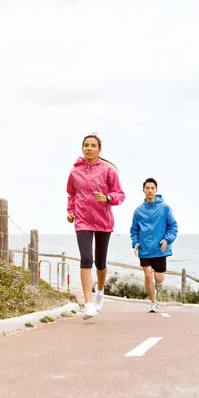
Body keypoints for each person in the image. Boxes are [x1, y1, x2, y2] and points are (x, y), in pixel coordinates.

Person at [66, 134, 125, 320]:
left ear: (99, 150)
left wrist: (107, 198)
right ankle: (88, 303)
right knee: (86, 258)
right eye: (86, 145)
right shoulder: (75, 172)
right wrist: (71, 211)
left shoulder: (108, 171)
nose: (89, 148)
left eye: (93, 146)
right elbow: (71, 194)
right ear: (82, 148)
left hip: (103, 221)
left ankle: (100, 291)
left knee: (100, 262)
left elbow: (120, 195)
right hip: (82, 220)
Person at [130, 178, 178, 313]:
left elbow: (173, 227)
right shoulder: (138, 211)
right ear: (143, 191)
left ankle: (157, 285)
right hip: (144, 248)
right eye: (147, 188)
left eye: (152, 188)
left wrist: (167, 240)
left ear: (156, 190)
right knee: (147, 274)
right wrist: (136, 242)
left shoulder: (164, 208)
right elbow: (134, 230)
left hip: (160, 248)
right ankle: (153, 303)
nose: (150, 190)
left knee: (159, 277)